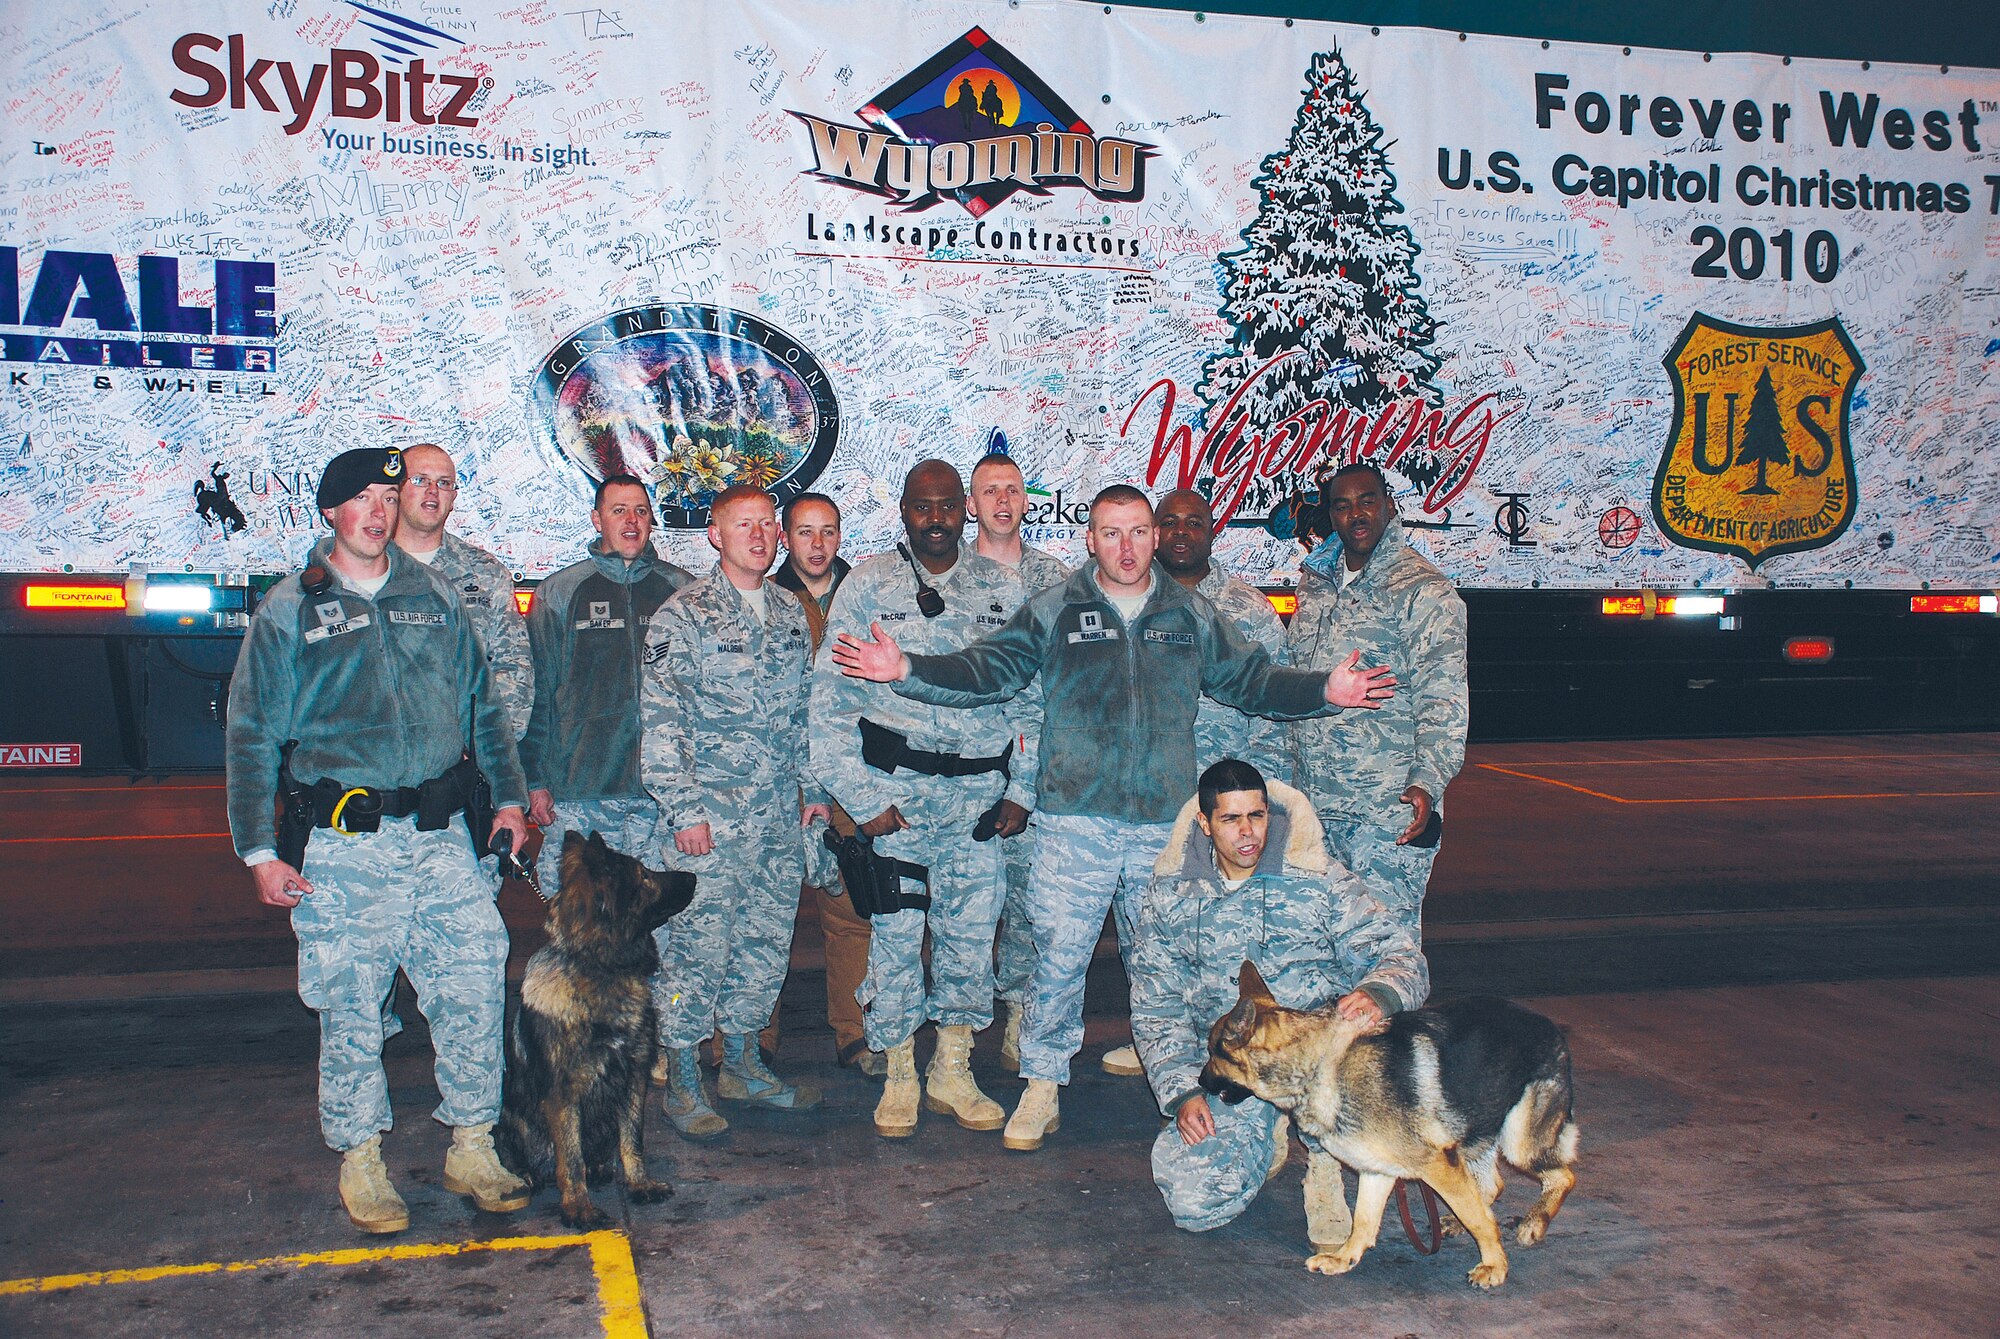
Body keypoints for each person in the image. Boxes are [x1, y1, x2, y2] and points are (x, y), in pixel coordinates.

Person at [832, 484, 1397, 1151]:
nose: (1125, 547)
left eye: (1137, 532)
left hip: (1164, 828)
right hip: (1076, 825)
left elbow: (1254, 681)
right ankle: (1042, 1087)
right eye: (1110, 533)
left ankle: (1194, 1089)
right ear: (1090, 539)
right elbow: (987, 670)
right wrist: (907, 669)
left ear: (1154, 538)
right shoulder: (1053, 609)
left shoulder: (1190, 614)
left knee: (1172, 963)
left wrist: (1325, 691)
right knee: (1058, 962)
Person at [225, 447, 533, 1235]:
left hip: (440, 840)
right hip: (345, 845)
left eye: (388, 496)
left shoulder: (430, 593)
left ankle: (472, 1141)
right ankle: (361, 1158)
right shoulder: (291, 608)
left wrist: (506, 799)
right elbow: (253, 732)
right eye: (362, 498)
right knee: (352, 1004)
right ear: (330, 512)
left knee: (474, 979)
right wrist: (260, 850)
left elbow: (484, 709)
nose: (379, 510)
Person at [810, 460, 1038, 1139]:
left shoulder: (1003, 588)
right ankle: (903, 1069)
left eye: (946, 507)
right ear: (904, 510)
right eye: (922, 507)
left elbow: (1031, 695)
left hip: (976, 801)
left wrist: (1022, 788)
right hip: (897, 803)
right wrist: (860, 796)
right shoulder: (869, 585)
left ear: (962, 511)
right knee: (897, 939)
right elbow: (830, 704)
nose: (935, 518)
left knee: (971, 939)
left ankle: (954, 1068)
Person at [1131, 759, 1427, 1239]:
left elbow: (1400, 954)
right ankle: (1265, 1132)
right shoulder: (1171, 894)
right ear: (1205, 823)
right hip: (1233, 1072)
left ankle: (1325, 1161)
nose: (1249, 833)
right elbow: (1154, 1005)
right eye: (1230, 819)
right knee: (1193, 1203)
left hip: (1322, 1072)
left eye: (1258, 815)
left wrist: (1378, 995)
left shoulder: (1318, 877)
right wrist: (1182, 1091)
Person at [1077, 488, 1297, 1081]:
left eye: (1191, 523)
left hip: (1229, 805)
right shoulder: (1131, 605)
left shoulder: (1245, 608)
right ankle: (1162, 1039)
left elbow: (1270, 695)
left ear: (1212, 530)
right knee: (1155, 926)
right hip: (1156, 799)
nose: (1178, 533)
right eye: (1166, 522)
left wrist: (1264, 804)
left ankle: (1235, 1047)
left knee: (1235, 929)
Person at [643, 484, 827, 1138]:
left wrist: (815, 794)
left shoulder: (785, 610)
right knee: (694, 953)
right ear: (714, 536)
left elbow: (806, 717)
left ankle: (744, 1062)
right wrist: (684, 810)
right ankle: (684, 1074)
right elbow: (662, 724)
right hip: (709, 826)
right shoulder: (684, 614)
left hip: (776, 819)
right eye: (743, 524)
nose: (759, 534)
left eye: (767, 524)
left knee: (764, 945)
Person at [1286, 463, 1468, 935]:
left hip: (1384, 814)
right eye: (1342, 506)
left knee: (1384, 954)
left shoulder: (1422, 589)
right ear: (1331, 515)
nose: (1356, 514)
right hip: (1314, 811)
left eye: (1367, 501)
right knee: (1322, 952)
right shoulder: (1316, 583)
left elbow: (1444, 699)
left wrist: (1427, 782)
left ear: (1388, 506)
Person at [519, 474, 693, 899]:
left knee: (661, 925)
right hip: (583, 792)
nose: (631, 521)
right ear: (597, 519)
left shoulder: (683, 591)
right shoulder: (560, 592)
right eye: (619, 511)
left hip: (664, 795)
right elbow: (536, 693)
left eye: (641, 511)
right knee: (586, 926)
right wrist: (534, 779)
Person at [965, 451, 1070, 1072]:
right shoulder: (949, 576)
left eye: (1012, 490)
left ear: (1028, 501)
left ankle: (1018, 1019)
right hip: (970, 770)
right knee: (971, 906)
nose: (1001, 501)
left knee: (1032, 905)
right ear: (972, 504)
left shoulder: (1058, 579)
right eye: (988, 491)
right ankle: (961, 1028)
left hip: (1040, 772)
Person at [770, 491, 880, 1078]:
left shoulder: (866, 598)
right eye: (805, 532)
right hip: (773, 781)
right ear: (785, 537)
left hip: (844, 779)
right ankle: (748, 1035)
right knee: (764, 911)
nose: (817, 545)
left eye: (829, 532)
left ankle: (855, 1032)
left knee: (850, 910)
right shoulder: (761, 599)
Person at [393, 442, 535, 739]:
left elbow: (514, 668)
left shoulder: (484, 571)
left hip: (465, 760)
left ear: (453, 497)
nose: (433, 491)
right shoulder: (367, 566)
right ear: (395, 490)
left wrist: (483, 743)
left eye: (444, 483)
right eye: (420, 480)